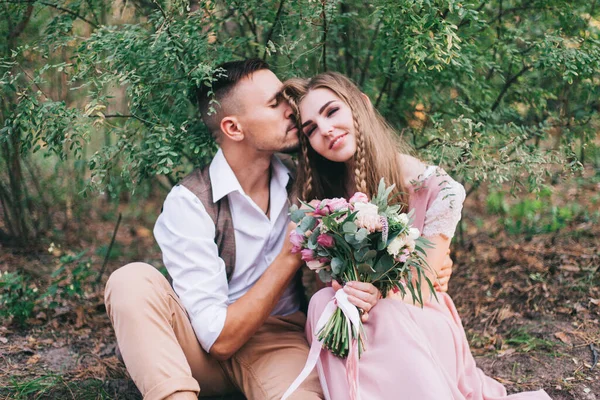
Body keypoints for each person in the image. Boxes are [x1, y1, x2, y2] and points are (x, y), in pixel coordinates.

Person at [282, 72, 551, 399]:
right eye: (310, 129)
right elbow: (331, 278)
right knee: (324, 303)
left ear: (361, 106)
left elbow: (422, 286)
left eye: (332, 111)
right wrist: (349, 288)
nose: (324, 129)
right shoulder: (321, 200)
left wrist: (377, 293)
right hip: (358, 317)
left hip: (415, 314)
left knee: (384, 312)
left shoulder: (433, 187)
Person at [104, 59, 325, 400]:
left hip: (279, 344)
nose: (291, 110)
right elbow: (218, 340)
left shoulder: (307, 184)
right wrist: (289, 253)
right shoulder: (190, 201)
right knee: (130, 281)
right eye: (274, 104)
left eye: (287, 99)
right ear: (234, 129)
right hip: (198, 352)